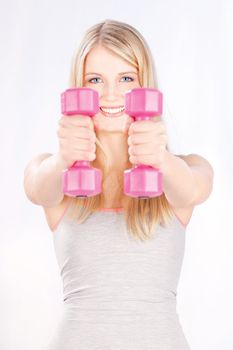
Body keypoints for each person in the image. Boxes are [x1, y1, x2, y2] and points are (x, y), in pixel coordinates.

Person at [23, 19, 214, 349]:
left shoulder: (183, 169)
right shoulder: (55, 173)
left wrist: (161, 160)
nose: (110, 94)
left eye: (126, 78)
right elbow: (37, 187)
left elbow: (195, 188)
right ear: (77, 89)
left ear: (145, 86)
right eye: (95, 80)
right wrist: (63, 159)